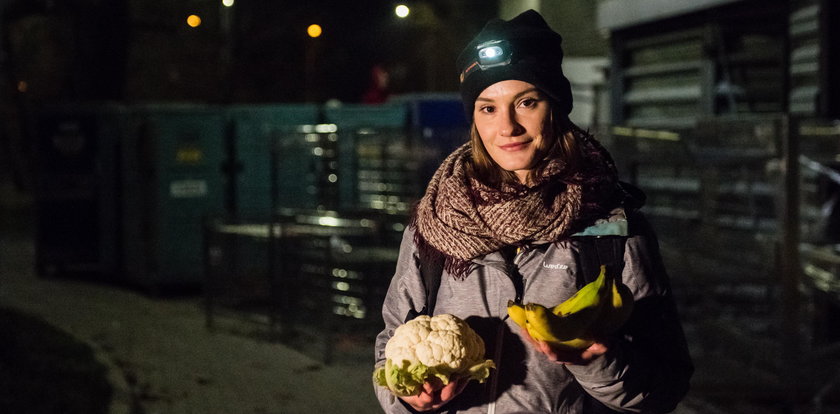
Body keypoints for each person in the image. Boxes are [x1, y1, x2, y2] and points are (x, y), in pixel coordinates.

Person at [373, 9, 693, 413]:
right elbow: (390, 345)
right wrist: (406, 397)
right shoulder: (436, 220)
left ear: (556, 106)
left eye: (526, 102)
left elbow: (665, 386)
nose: (507, 127)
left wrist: (597, 364)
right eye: (487, 108)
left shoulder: (612, 229)